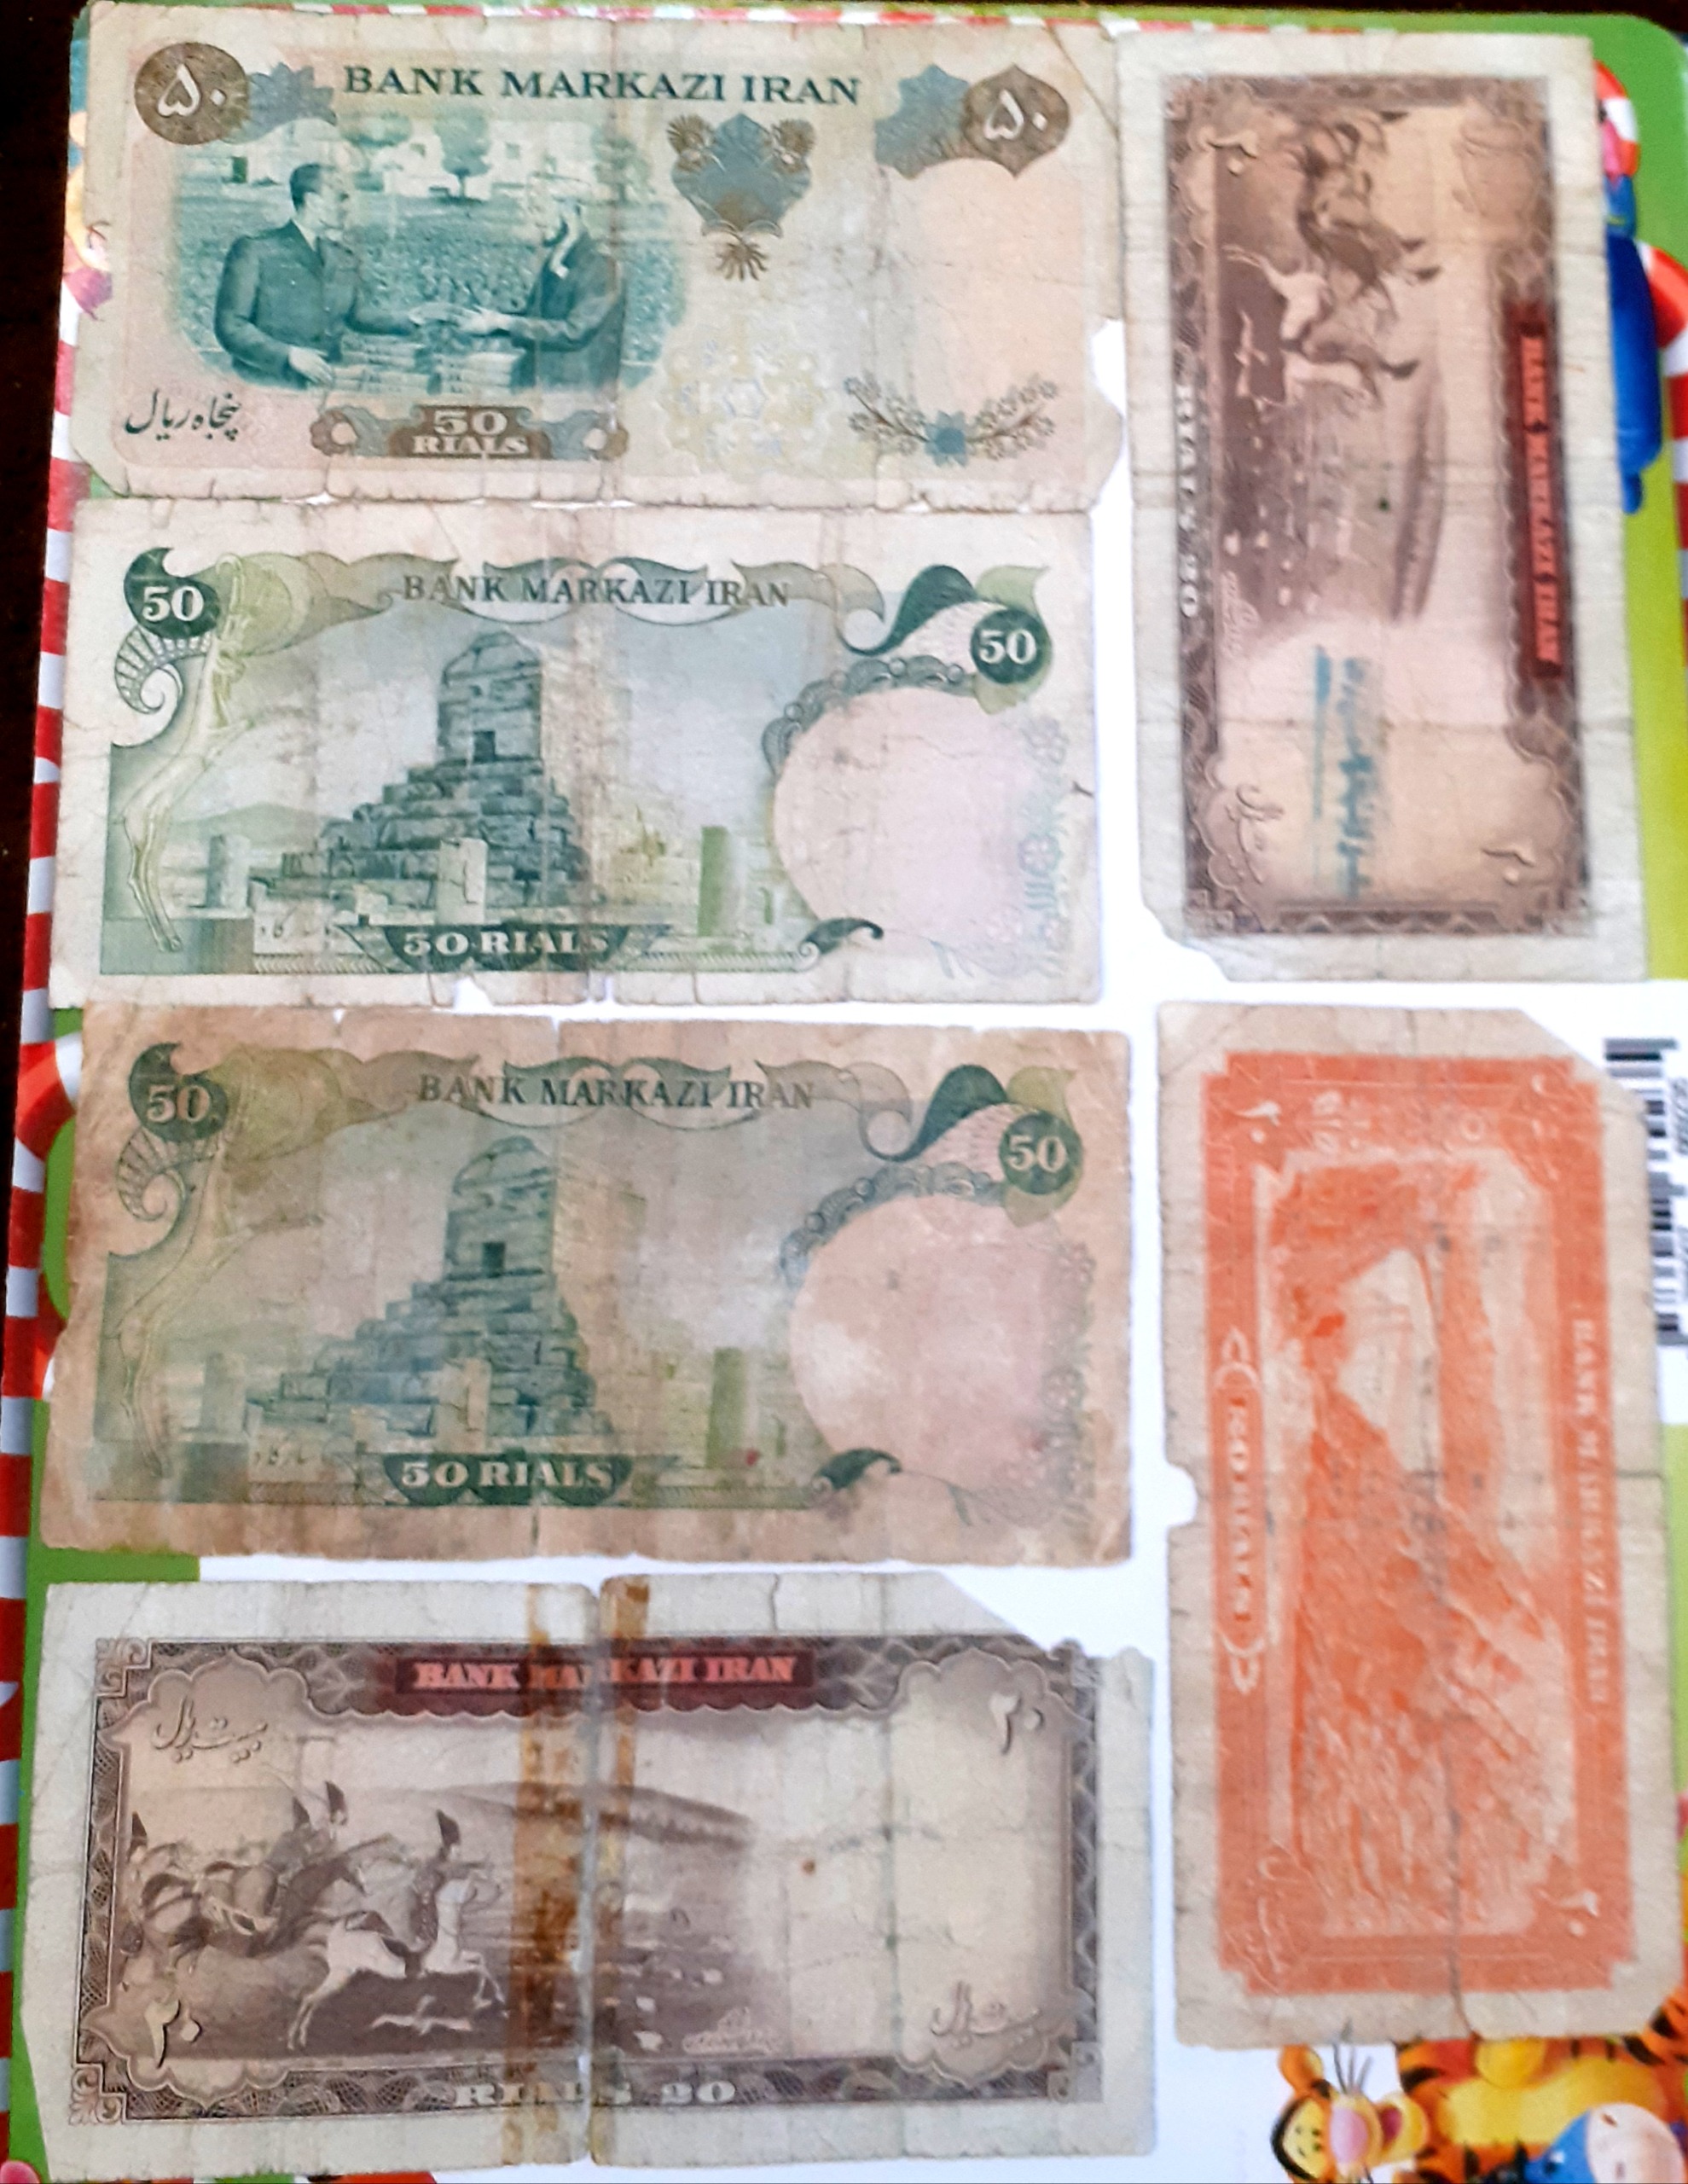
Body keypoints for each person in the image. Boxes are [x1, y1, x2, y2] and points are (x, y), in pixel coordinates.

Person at [214, 163, 426, 388]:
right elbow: (231, 326)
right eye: (341, 198)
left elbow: (357, 314)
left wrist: (412, 319)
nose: (348, 207)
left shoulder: (342, 257)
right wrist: (288, 355)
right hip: (267, 384)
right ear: (313, 201)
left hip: (327, 382)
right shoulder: (255, 250)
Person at [460, 205, 624, 391]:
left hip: (573, 390)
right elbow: (537, 317)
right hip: (539, 380)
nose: (532, 223)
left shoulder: (601, 266)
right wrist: (491, 323)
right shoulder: (558, 258)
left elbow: (574, 332)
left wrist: (504, 322)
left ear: (568, 213)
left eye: (539, 211)